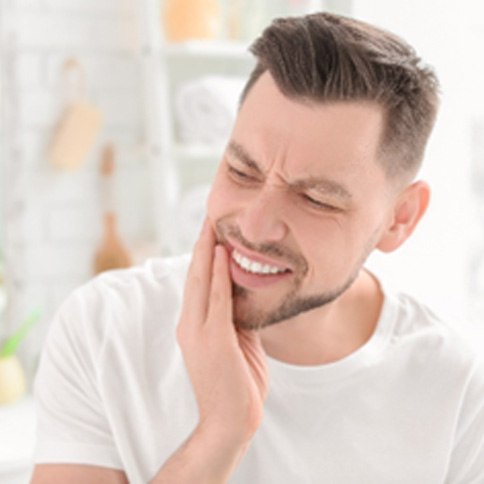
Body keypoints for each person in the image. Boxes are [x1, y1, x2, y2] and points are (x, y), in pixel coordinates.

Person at [31, 12, 484, 484]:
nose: (255, 224)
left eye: (316, 199)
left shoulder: (457, 392)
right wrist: (221, 435)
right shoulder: (106, 331)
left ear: (400, 219)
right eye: (241, 171)